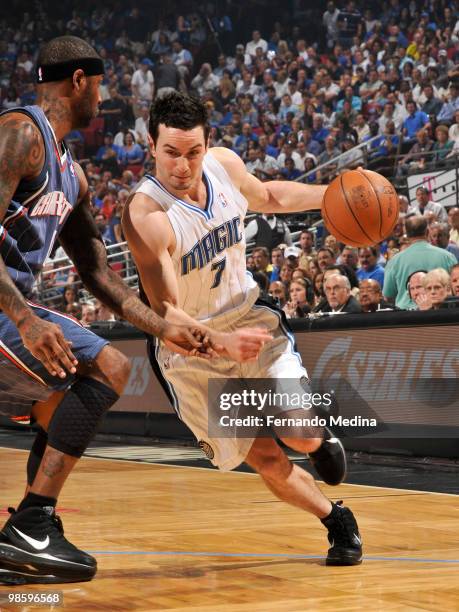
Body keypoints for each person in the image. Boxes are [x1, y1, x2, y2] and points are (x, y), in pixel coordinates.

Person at [0, 36, 258, 586]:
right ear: (78, 82)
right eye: (100, 83)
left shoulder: (72, 174)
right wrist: (27, 318)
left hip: (11, 308)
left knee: (59, 408)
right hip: (5, 310)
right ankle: (32, 524)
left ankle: (28, 533)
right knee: (110, 367)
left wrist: (167, 329)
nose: (104, 95)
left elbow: (100, 276)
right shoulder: (20, 134)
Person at [122, 92, 363, 567]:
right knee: (266, 459)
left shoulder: (223, 166)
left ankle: (318, 438)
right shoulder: (147, 217)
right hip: (189, 350)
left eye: (193, 152)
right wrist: (219, 343)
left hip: (250, 316)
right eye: (171, 153)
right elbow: (166, 311)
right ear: (150, 145)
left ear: (208, 144)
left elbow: (269, 195)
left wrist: (335, 194)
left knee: (297, 433)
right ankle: (336, 520)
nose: (183, 166)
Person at [383, 216, 456, 309]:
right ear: (427, 232)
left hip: (404, 317)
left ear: (407, 234)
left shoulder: (394, 261)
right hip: (441, 316)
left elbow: (388, 296)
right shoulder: (447, 257)